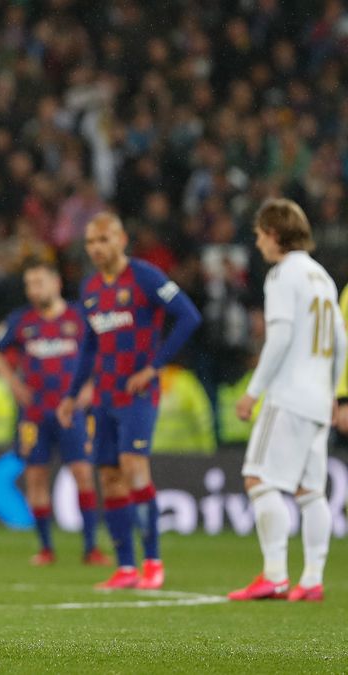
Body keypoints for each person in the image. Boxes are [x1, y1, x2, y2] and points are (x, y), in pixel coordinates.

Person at [56, 213, 200, 590]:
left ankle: (153, 562)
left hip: (137, 393)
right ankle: (125, 568)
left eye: (102, 239)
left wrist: (154, 368)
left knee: (135, 466)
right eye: (90, 242)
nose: (95, 248)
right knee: (108, 476)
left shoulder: (145, 276)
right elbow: (88, 347)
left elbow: (188, 316)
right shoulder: (90, 288)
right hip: (103, 394)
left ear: (121, 239)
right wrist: (72, 395)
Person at [228, 199, 345, 602]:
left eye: (261, 234)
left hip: (288, 395)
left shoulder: (282, 275)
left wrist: (252, 392)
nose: (258, 243)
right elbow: (341, 344)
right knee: (311, 492)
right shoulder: (323, 278)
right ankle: (311, 578)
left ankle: (275, 574)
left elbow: (278, 338)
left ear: (275, 234)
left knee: (258, 479)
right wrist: (332, 393)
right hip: (316, 398)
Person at [0, 260, 110, 567]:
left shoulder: (80, 317)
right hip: (35, 412)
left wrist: (91, 387)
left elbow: (106, 349)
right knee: (36, 477)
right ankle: (45, 548)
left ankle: (91, 547)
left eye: (39, 282)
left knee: (83, 473)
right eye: (29, 284)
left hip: (71, 411)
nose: (33, 289)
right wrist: (13, 382)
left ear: (55, 283)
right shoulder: (22, 320)